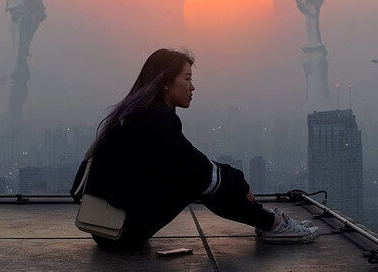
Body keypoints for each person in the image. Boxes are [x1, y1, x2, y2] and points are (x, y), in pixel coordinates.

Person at [71, 48, 319, 248]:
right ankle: (273, 224)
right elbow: (195, 167)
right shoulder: (153, 118)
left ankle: (271, 223)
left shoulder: (136, 113)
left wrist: (231, 181)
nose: (192, 87)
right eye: (187, 79)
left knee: (195, 176)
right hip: (123, 231)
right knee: (194, 180)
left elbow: (188, 159)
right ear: (165, 83)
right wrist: (239, 183)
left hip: (106, 227)